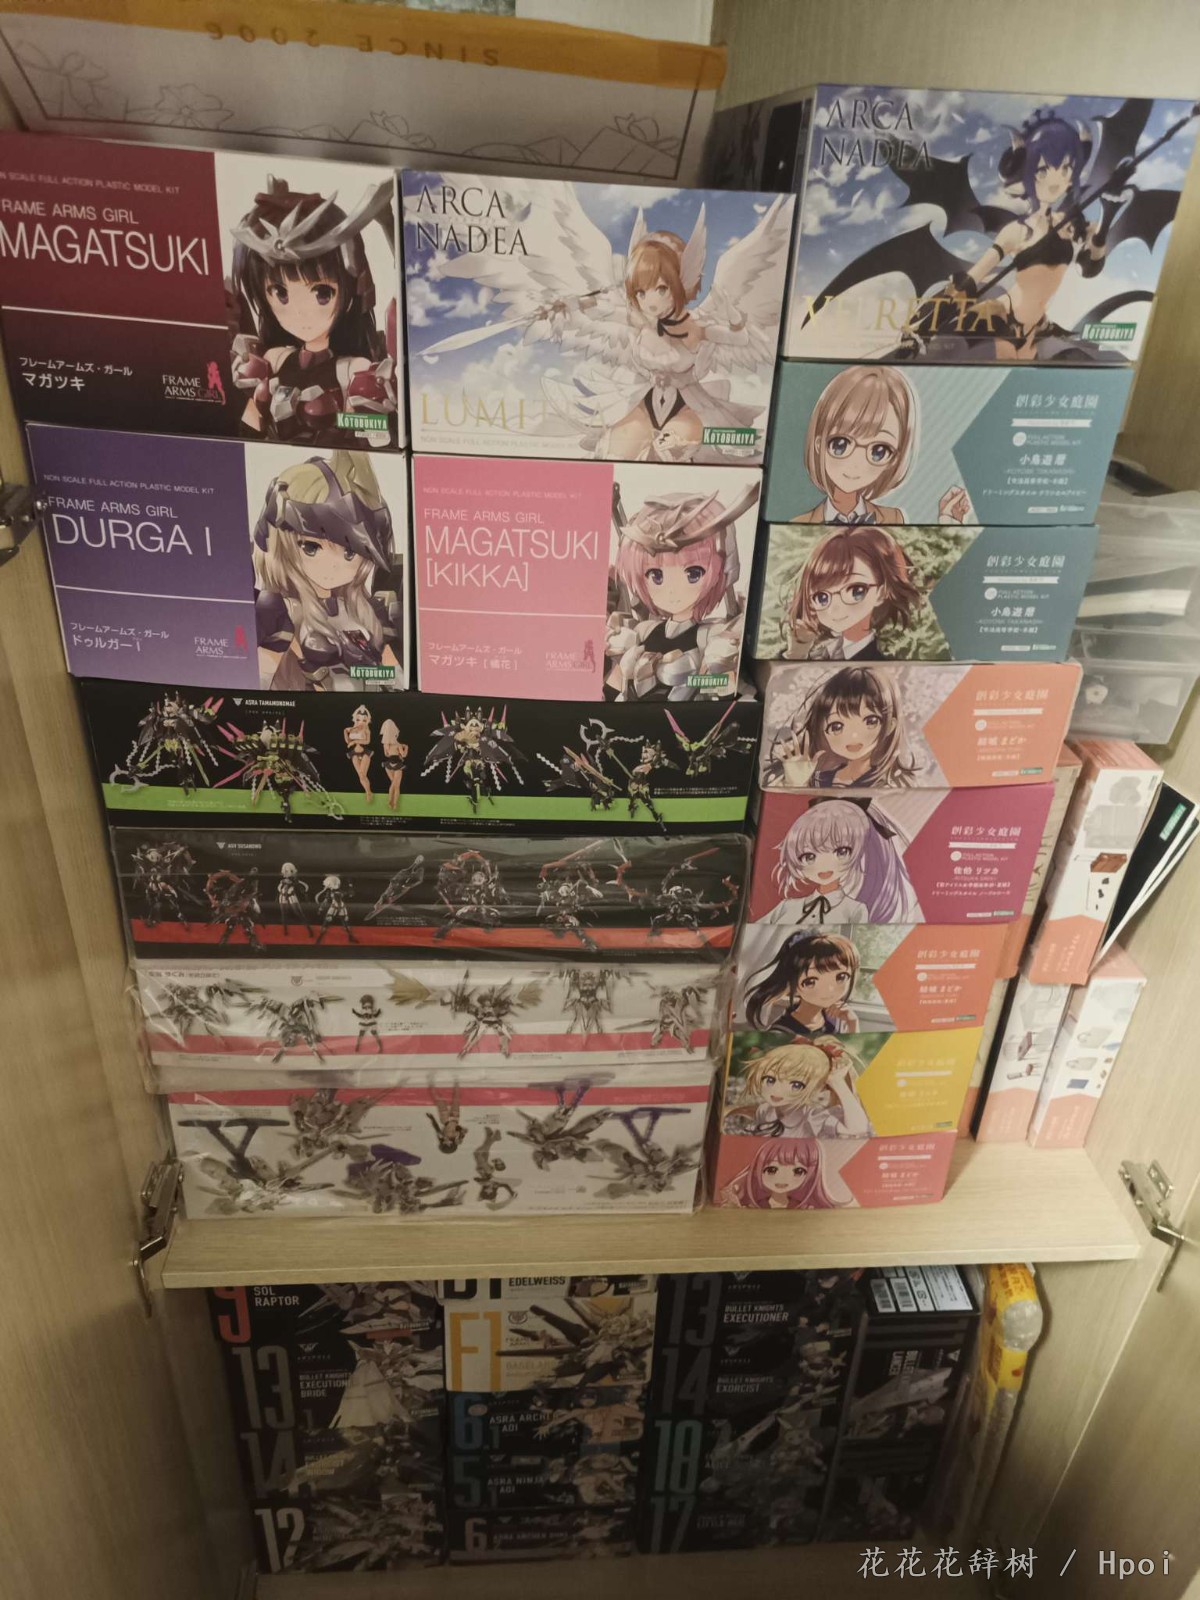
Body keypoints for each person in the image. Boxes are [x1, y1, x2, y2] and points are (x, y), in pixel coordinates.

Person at [230, 175, 396, 446]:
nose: (300, 313)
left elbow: (376, 438)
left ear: (351, 290)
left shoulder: (353, 370)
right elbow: (248, 431)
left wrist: (341, 418)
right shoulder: (273, 360)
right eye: (280, 293)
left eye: (322, 293)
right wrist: (260, 402)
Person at [252, 451, 401, 691]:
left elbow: (394, 679)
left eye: (350, 552)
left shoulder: (368, 612)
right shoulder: (278, 611)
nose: (333, 566)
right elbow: (257, 682)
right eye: (311, 547)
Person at [605, 482, 757, 701]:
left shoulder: (710, 637)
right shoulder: (644, 631)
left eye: (693, 573)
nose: (672, 590)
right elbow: (611, 688)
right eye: (656, 575)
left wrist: (691, 677)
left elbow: (727, 686)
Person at [790, 367, 971, 526]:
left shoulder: (895, 519)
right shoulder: (800, 524)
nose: (856, 465)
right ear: (819, 444)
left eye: (878, 451)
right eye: (840, 445)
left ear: (894, 459)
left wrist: (949, 524)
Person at [762, 798, 919, 926]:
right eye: (809, 856)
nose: (823, 865)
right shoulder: (786, 907)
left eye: (841, 852)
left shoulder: (854, 910)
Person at [785, 524, 925, 661]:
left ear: (881, 592)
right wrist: (796, 654)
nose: (835, 609)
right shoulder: (820, 654)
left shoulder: (877, 661)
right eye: (822, 597)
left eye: (856, 591)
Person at [769, 665, 919, 789]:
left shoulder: (889, 785)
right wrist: (795, 783)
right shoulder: (818, 779)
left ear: (890, 726)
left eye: (870, 721)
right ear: (822, 730)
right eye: (836, 726)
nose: (853, 736)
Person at [724, 1038, 873, 1138]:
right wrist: (729, 1112)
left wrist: (837, 1082)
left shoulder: (813, 1119)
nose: (777, 1090)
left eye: (796, 1085)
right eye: (770, 1080)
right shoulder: (767, 1109)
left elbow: (858, 1128)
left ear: (820, 1087)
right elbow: (755, 1112)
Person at [743, 931, 860, 1037]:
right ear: (793, 983)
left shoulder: (829, 1019)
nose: (829, 989)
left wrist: (853, 1022)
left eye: (841, 977)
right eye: (810, 982)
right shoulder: (781, 1033)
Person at [719, 1136, 846, 1209]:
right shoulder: (753, 1204)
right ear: (757, 1171)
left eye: (798, 1171)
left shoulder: (806, 1206)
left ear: (811, 1175)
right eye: (771, 1170)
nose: (783, 1178)